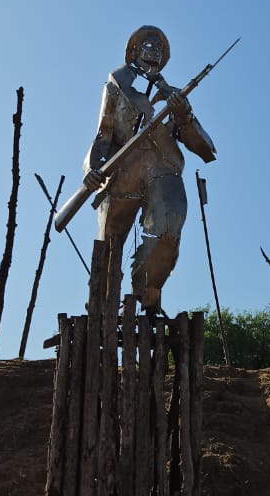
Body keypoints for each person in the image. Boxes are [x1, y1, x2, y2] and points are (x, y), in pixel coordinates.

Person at [81, 25, 216, 313]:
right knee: (109, 245)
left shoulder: (174, 96)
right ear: (134, 50)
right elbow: (104, 133)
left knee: (168, 228)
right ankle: (101, 309)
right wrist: (92, 168)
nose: (154, 50)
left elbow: (203, 147)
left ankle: (147, 297)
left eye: (159, 47)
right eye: (148, 44)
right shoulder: (116, 85)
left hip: (162, 169)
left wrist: (184, 114)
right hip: (122, 170)